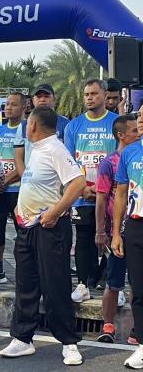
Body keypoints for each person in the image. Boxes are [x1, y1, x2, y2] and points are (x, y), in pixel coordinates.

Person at [0, 106, 85, 365]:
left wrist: (56, 212)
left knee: (55, 283)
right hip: (27, 227)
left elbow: (78, 183)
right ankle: (23, 338)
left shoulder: (55, 149)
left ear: (33, 125)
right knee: (26, 283)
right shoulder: (36, 150)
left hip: (50, 228)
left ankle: (69, 342)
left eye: (28, 123)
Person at [64, 79, 118, 302]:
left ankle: (113, 286)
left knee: (113, 238)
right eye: (86, 94)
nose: (89, 98)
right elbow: (68, 162)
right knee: (84, 239)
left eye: (94, 94)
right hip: (83, 195)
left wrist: (109, 188)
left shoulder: (115, 123)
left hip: (111, 194)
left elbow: (121, 156)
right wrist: (82, 189)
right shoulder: (73, 126)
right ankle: (83, 284)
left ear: (104, 95)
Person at [95, 115, 139, 343]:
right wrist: (101, 230)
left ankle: (136, 329)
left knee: (137, 283)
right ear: (121, 135)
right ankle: (108, 326)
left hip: (136, 229)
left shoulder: (138, 156)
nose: (138, 133)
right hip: (117, 232)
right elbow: (101, 199)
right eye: (133, 130)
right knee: (113, 282)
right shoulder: (109, 162)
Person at [112, 103, 143, 369]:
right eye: (140, 115)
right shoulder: (130, 152)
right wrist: (116, 233)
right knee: (139, 289)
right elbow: (120, 193)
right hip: (135, 227)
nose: (140, 120)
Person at [0, 93, 24, 284]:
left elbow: (24, 162)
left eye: (13, 104)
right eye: (6, 104)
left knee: (22, 232)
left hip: (18, 190)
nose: (8, 108)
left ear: (24, 107)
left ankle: (25, 269)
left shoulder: (27, 129)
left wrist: (5, 181)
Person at [14, 84, 68, 176]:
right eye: (39, 97)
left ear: (54, 99)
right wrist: (26, 178)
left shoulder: (65, 123)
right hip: (30, 179)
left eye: (46, 96)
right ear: (33, 100)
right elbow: (18, 158)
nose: (42, 100)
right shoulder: (23, 125)